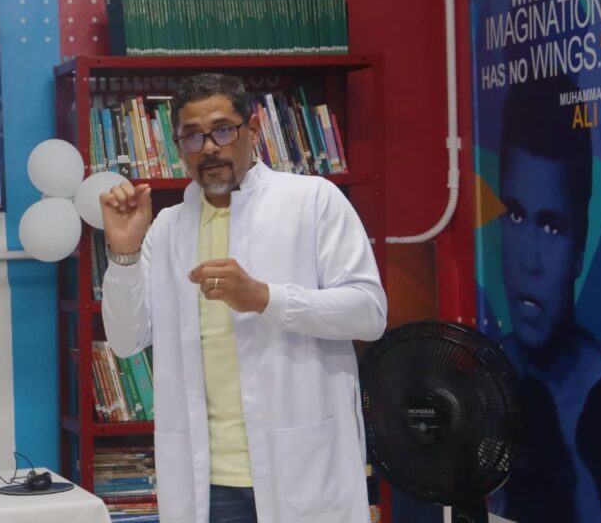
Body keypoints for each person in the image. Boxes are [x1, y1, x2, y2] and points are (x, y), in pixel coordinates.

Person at [99, 73, 387, 523]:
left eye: (222, 130)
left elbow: (368, 313)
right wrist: (124, 254)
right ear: (179, 148)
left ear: (252, 130)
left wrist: (265, 298)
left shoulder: (312, 201)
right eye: (192, 136)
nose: (209, 148)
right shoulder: (167, 228)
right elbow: (125, 340)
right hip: (208, 481)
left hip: (301, 468)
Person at [491, 75, 601, 523]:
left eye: (551, 227)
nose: (530, 260)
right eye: (515, 215)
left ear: (580, 248)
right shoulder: (485, 372)